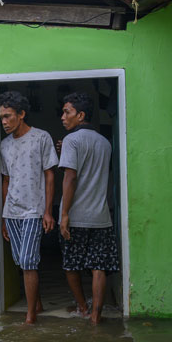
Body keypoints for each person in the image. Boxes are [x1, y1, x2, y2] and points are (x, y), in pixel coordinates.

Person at [57, 92, 119, 325]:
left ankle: (83, 308)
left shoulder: (72, 141)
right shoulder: (104, 142)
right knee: (98, 267)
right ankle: (96, 317)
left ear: (80, 115)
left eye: (67, 112)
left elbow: (70, 178)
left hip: (76, 217)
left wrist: (64, 214)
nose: (62, 117)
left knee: (71, 264)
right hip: (100, 216)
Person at [0, 90, 58, 324]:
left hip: (34, 210)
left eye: (8, 116)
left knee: (28, 261)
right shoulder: (4, 145)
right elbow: (6, 180)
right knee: (22, 262)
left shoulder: (41, 138)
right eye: (1, 117)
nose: (4, 121)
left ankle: (30, 317)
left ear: (21, 114)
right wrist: (4, 217)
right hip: (12, 212)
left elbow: (50, 176)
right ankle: (38, 303)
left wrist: (48, 211)